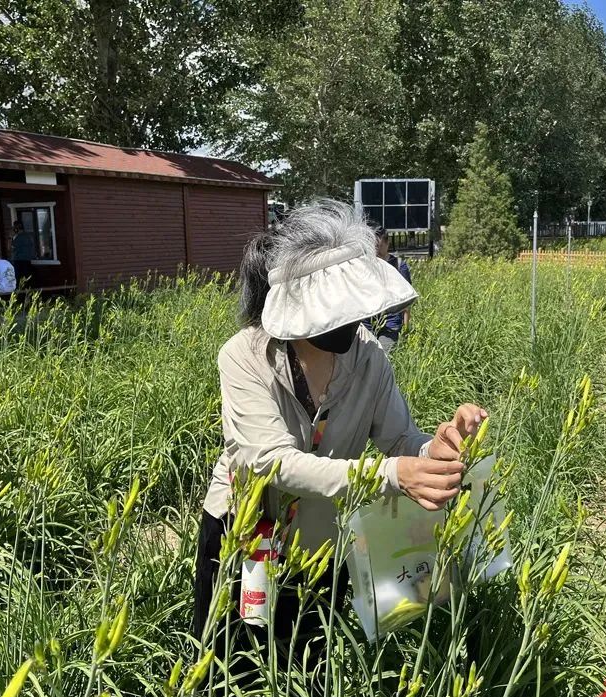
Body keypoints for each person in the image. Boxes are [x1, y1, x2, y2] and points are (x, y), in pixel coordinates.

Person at [192, 200, 488, 673]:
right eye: (335, 313)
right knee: (231, 663)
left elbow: (400, 441)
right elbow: (270, 461)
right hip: (245, 533)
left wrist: (438, 448)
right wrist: (394, 473)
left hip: (322, 536)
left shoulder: (367, 356)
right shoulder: (244, 357)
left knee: (308, 659)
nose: (352, 325)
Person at [362, 225, 413, 354]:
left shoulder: (399, 265)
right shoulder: (364, 265)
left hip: (391, 322)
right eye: (372, 246)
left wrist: (406, 328)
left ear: (387, 243)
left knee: (385, 355)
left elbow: (406, 300)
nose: (375, 250)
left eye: (378, 246)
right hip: (368, 321)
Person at [10, 221, 34, 286]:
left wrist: (11, 237)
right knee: (27, 279)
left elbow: (10, 248)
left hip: (19, 260)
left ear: (16, 228)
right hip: (27, 260)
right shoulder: (28, 236)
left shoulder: (18, 238)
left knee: (19, 279)